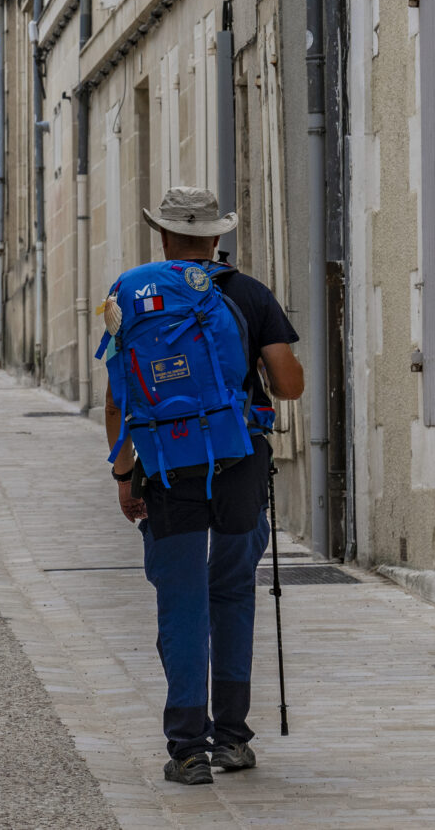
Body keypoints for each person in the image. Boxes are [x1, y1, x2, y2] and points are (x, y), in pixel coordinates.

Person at [104, 186, 305, 786]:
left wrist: (122, 472)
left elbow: (118, 395)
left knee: (182, 600)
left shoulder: (129, 293)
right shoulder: (247, 293)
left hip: (166, 465)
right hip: (239, 462)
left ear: (163, 238)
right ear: (216, 237)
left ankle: (187, 747)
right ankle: (234, 739)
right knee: (234, 592)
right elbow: (290, 385)